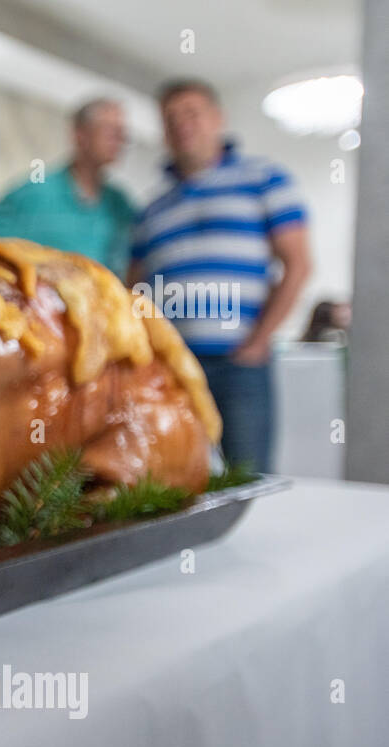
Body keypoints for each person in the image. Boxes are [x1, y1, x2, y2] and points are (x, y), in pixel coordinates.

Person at [129, 79, 312, 473]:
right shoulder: (152, 209)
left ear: (218, 119)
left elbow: (297, 264)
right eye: (171, 118)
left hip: (239, 363)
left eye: (191, 113)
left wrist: (259, 342)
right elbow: (134, 291)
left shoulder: (265, 178)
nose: (182, 125)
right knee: (173, 473)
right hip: (173, 367)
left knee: (248, 476)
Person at [0, 98, 137, 276]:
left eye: (122, 133)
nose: (119, 140)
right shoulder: (36, 192)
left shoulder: (121, 206)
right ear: (80, 134)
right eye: (110, 130)